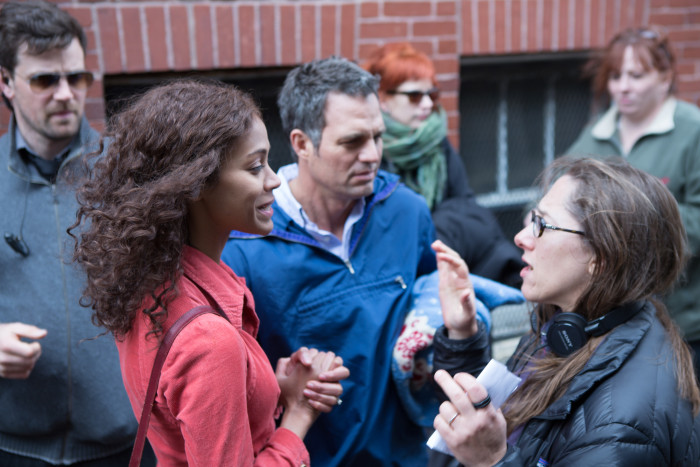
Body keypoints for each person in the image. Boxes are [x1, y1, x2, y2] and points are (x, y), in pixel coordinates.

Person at [70, 79, 350, 465]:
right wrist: (300, 414)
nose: (275, 179)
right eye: (255, 167)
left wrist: (270, 386)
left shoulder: (149, 285)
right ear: (195, 183)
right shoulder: (207, 338)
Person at [221, 56, 437, 466]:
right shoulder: (242, 246)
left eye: (378, 136)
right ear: (302, 144)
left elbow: (430, 322)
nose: (373, 154)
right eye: (353, 142)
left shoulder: (407, 212)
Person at [430, 156, 700, 466]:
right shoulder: (571, 326)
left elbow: (495, 447)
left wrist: (492, 461)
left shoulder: (618, 429)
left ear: (601, 257)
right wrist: (462, 335)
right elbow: (492, 421)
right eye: (531, 219)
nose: (520, 238)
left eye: (541, 225)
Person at [0, 2, 152, 465]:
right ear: (5, 82)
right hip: (15, 446)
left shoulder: (131, 171)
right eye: (45, 80)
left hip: (128, 443)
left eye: (77, 78)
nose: (66, 94)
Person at [566, 27, 700, 375]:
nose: (622, 87)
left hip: (680, 322)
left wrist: (626, 225)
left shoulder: (692, 131)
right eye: (615, 76)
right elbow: (556, 189)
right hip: (608, 319)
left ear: (665, 76)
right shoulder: (598, 131)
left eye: (636, 75)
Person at [362, 43, 525, 288]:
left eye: (432, 95)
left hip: (450, 252)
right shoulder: (370, 148)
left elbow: (467, 206)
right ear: (382, 99)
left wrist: (441, 227)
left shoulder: (436, 142)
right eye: (415, 96)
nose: (427, 104)